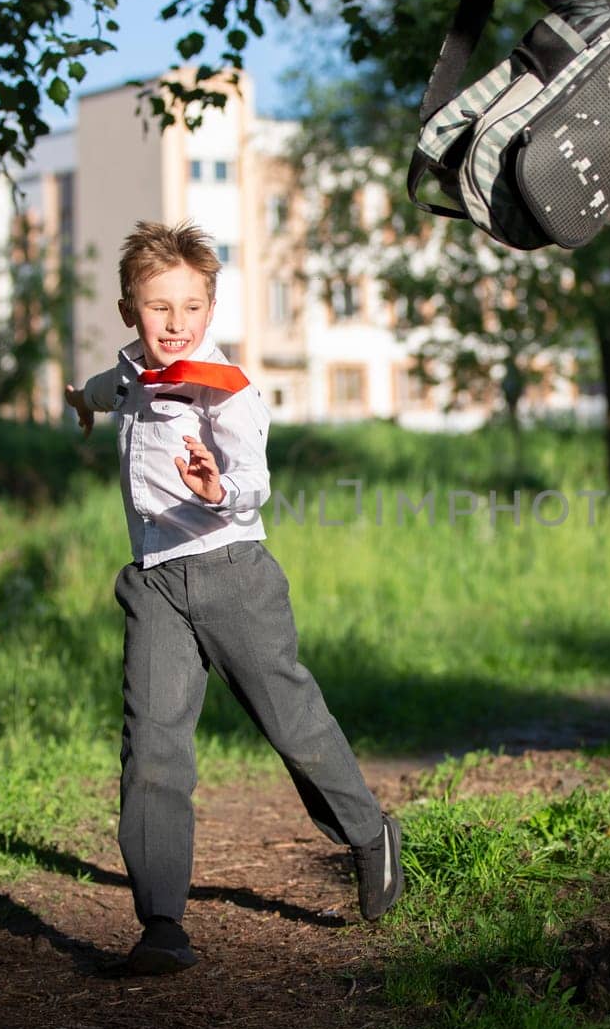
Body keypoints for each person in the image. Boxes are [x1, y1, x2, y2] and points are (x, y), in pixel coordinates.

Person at [65, 220, 403, 976]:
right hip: (154, 583)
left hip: (232, 572)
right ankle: (160, 920)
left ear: (210, 310)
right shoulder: (128, 373)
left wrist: (221, 487)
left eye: (191, 307)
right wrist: (80, 402)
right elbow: (104, 387)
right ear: (130, 309)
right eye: (159, 308)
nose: (176, 323)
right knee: (151, 742)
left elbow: (255, 475)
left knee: (292, 721)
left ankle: (369, 833)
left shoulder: (226, 386)